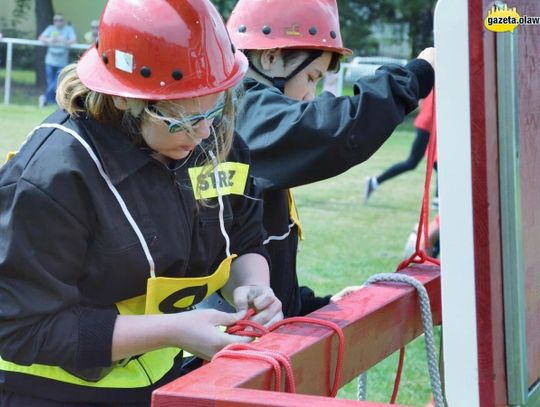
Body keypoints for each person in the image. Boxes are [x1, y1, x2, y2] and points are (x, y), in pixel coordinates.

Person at [0, 1, 282, 405]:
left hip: (163, 382)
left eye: (214, 107)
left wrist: (254, 288)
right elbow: (23, 329)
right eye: (181, 118)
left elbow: (242, 235)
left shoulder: (214, 139)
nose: (203, 133)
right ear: (124, 101)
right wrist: (172, 330)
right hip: (54, 391)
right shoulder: (54, 178)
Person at [227, 0, 435, 317]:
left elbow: (266, 248)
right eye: (312, 77)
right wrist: (416, 75)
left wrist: (312, 306)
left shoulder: (251, 121)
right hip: (220, 354)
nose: (312, 93)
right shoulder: (241, 112)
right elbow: (332, 129)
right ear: (270, 58)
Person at [364, 89, 437, 204]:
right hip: (427, 125)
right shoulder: (442, 83)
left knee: (439, 163)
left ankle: (438, 199)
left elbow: (421, 102)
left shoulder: (436, 82)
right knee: (412, 162)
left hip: (430, 125)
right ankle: (374, 182)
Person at [38, 13, 77, 107]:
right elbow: (41, 38)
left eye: (60, 20)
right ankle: (52, 101)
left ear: (63, 21)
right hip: (50, 60)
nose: (58, 22)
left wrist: (64, 40)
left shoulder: (68, 29)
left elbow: (74, 41)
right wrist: (49, 40)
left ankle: (44, 98)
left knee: (57, 82)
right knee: (50, 81)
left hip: (61, 61)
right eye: (56, 20)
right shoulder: (50, 28)